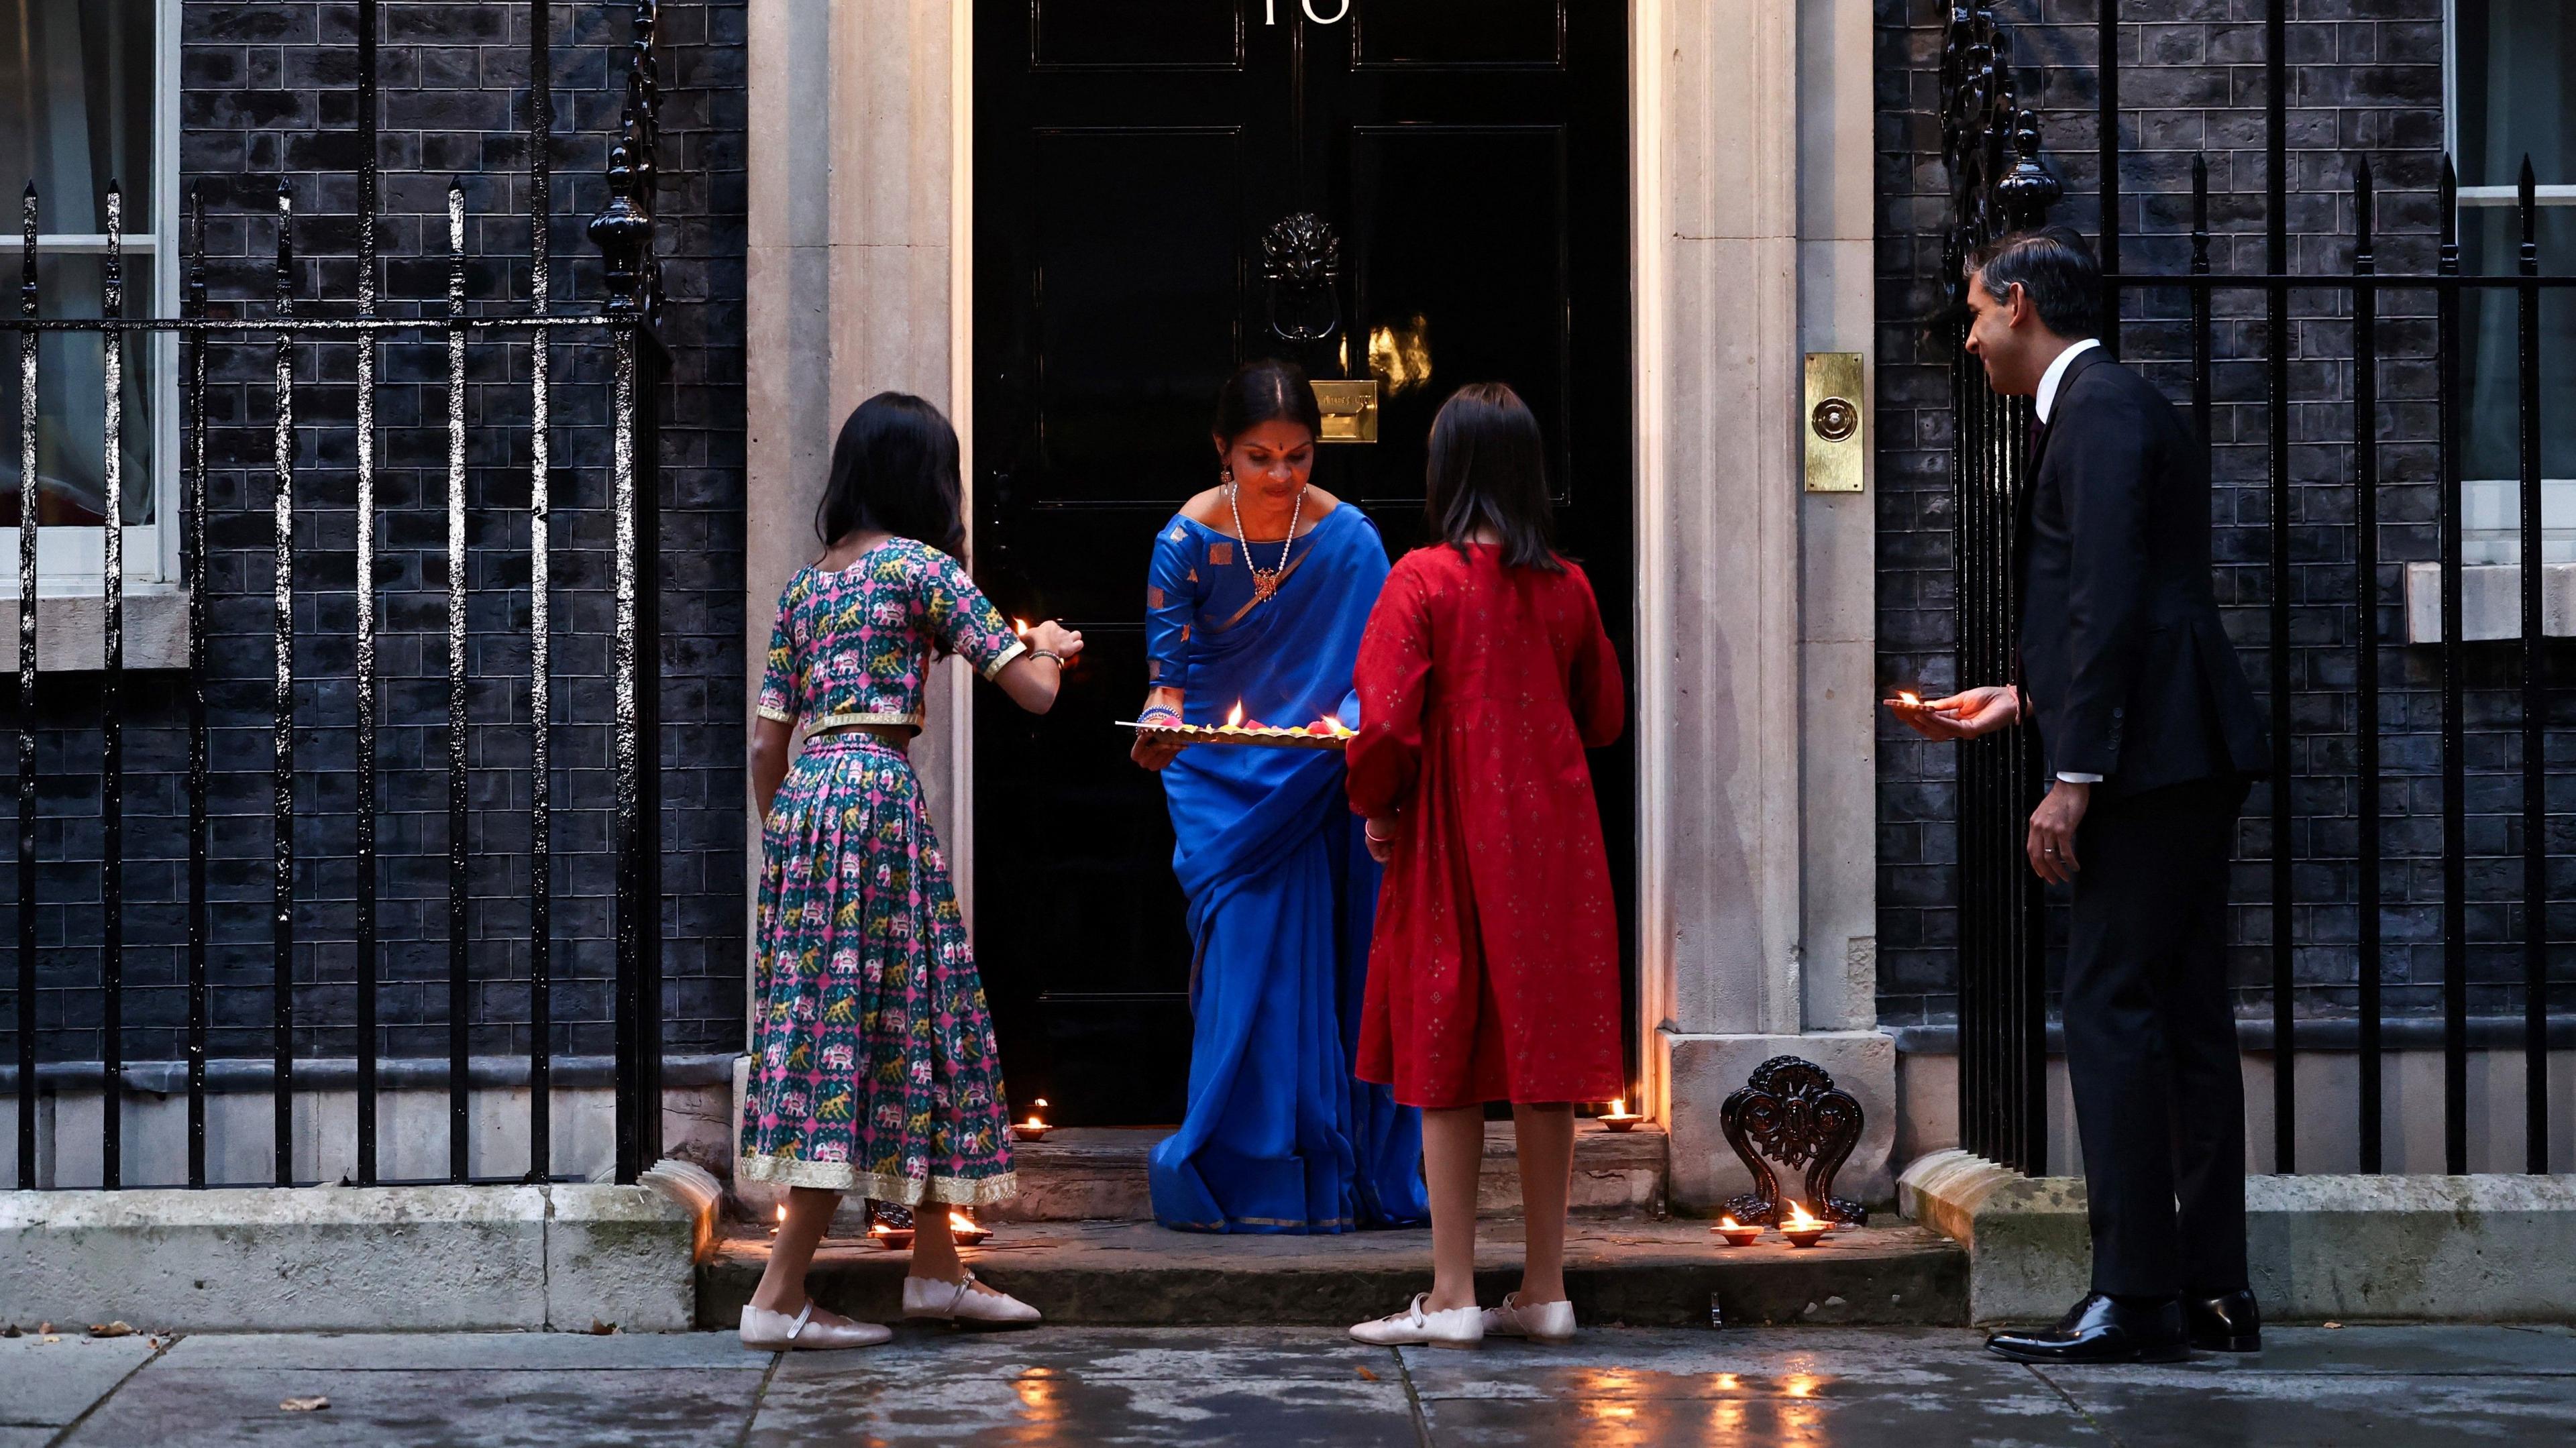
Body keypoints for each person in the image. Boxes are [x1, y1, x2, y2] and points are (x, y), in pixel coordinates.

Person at [1893, 226, 2269, 1366]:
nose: (1968, 338)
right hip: (2181, 748)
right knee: (2188, 1019)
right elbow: (2129, 602)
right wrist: (2025, 695)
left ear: (2017, 304)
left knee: (2109, 1010)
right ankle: (2211, 1289)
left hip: (2144, 765)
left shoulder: (2093, 413)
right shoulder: (2122, 405)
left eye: (1972, 313)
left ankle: (2136, 1297)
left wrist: (2073, 779)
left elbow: (2105, 598)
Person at [739, 392, 1084, 1349]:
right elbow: (1036, 692)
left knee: (901, 1026)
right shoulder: (925, 570)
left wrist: (794, 841)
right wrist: (1048, 643)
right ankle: (775, 1296)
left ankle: (936, 1270)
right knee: (861, 1038)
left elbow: (766, 745)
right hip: (880, 800)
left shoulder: (807, 589)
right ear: (929, 480)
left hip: (810, 802)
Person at [1342, 382, 1626, 1349]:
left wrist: (1378, 807)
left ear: (1445, 470)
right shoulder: (1571, 586)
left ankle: (1454, 1291)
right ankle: (1545, 1288)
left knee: (1445, 1050)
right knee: (1545, 1063)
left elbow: (1382, 722)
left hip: (1449, 835)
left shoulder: (1420, 580)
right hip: (1555, 842)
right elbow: (1604, 718)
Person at [1131, 358, 1430, 1234]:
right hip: (1220, 786)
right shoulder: (1186, 541)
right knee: (1243, 965)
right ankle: (1248, 1172)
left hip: (1317, 777)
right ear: (1223, 450)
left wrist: (1339, 729)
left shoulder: (1351, 543)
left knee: (1334, 964)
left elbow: (1377, 673)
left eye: (1298, 456)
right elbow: (1169, 676)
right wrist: (1159, 724)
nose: (1280, 475)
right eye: (1259, 456)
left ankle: (1330, 1169)